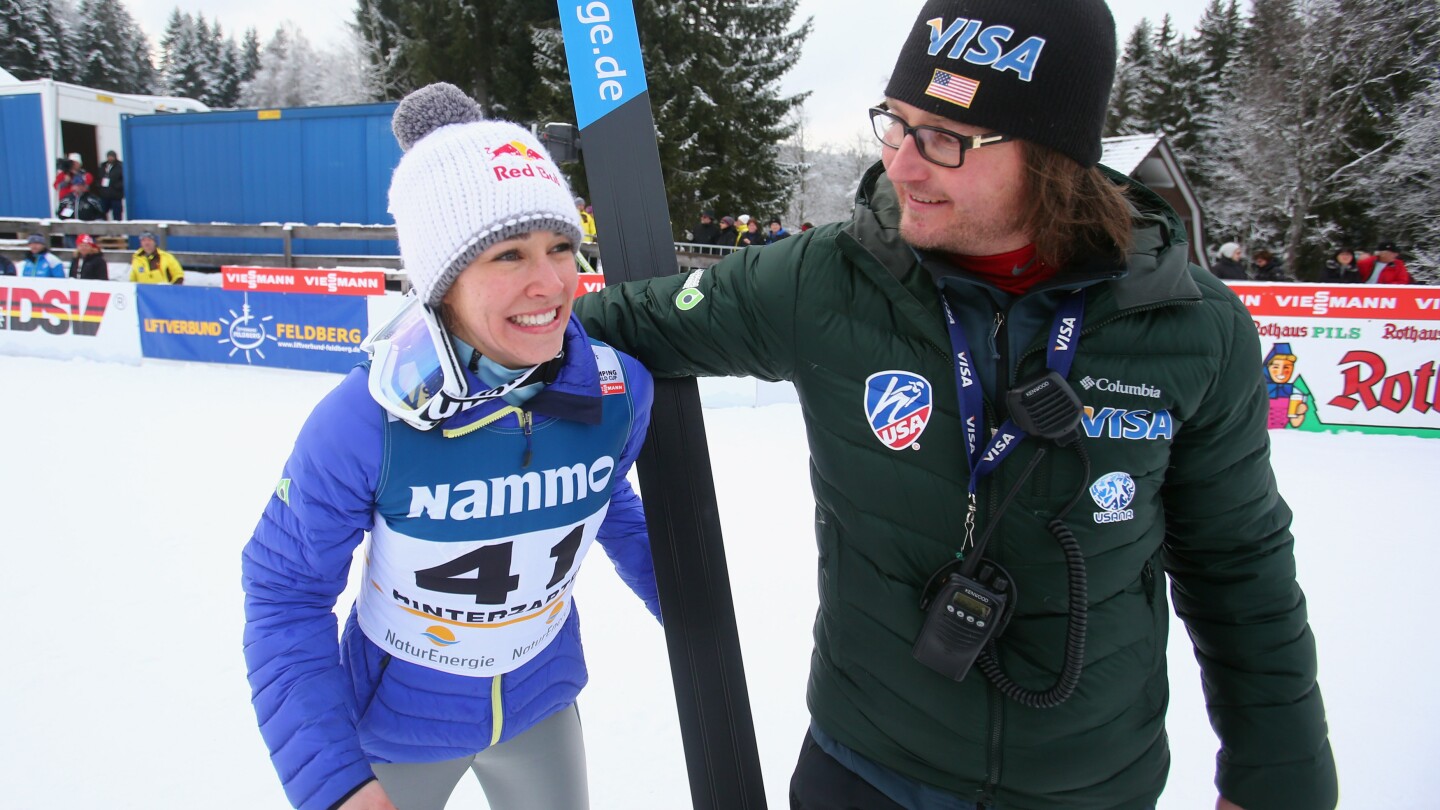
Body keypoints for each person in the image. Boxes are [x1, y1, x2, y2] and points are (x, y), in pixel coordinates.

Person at [573, 1, 1336, 808]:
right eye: (896, 124)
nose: (901, 166)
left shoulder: (1191, 326)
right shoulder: (826, 280)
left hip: (1089, 784)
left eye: (944, 138)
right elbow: (613, 323)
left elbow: (1238, 564)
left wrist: (1279, 778)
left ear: (1051, 154)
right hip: (866, 768)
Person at [241, 82, 661, 810]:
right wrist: (334, 783)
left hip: (542, 705)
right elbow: (286, 594)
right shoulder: (363, 421)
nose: (549, 283)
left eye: (562, 247)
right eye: (508, 255)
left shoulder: (618, 387)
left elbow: (607, 496)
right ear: (443, 282)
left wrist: (690, 609)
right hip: (397, 730)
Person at [97, 150, 125, 221]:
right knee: (102, 213)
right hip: (105, 194)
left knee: (117, 215)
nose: (110, 158)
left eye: (112, 156)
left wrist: (116, 185)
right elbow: (99, 177)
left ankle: (117, 228)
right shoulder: (103, 166)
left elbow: (124, 180)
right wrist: (99, 185)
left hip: (116, 195)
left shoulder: (120, 166)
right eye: (109, 156)